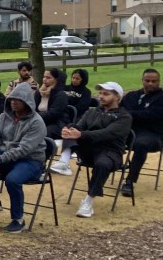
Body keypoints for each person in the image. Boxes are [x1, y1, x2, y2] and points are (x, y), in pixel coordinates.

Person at [0, 84, 47, 233]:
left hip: (31, 161)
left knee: (12, 180)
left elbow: (24, 150)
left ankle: (18, 220)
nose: (13, 102)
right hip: (8, 158)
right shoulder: (3, 117)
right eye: (11, 99)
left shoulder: (36, 122)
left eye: (18, 100)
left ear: (27, 102)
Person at [54, 82, 132, 217]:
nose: (101, 96)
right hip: (89, 149)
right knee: (71, 130)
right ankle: (64, 162)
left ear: (117, 97)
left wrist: (81, 134)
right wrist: (69, 130)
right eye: (100, 93)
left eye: (106, 94)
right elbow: (80, 127)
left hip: (110, 151)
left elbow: (107, 134)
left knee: (102, 163)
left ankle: (88, 202)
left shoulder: (124, 117)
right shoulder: (92, 111)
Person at [118, 69, 163, 197]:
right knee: (108, 136)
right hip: (129, 132)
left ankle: (130, 181)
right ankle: (107, 168)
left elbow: (152, 115)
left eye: (154, 81)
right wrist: (134, 114)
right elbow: (120, 112)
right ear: (142, 80)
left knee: (141, 144)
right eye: (147, 80)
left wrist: (130, 114)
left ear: (159, 82)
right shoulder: (131, 96)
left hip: (153, 135)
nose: (150, 83)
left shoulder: (161, 97)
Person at [34, 67, 68, 140]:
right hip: (39, 121)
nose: (44, 79)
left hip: (56, 123)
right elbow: (32, 108)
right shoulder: (39, 92)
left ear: (56, 80)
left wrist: (34, 116)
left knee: (41, 133)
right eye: (44, 77)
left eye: (48, 78)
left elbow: (53, 114)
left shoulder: (61, 95)